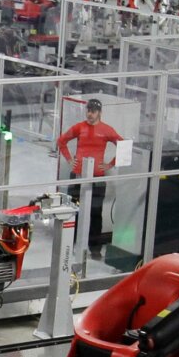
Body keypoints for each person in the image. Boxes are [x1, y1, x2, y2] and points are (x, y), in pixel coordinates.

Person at [56, 99, 124, 254]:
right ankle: (71, 244)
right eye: (88, 110)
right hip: (79, 175)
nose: (90, 114)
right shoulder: (80, 127)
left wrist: (110, 164)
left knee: (96, 213)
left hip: (97, 178)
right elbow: (61, 141)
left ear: (99, 113)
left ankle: (95, 249)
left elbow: (123, 145)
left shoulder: (106, 130)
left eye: (93, 111)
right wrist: (69, 159)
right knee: (74, 210)